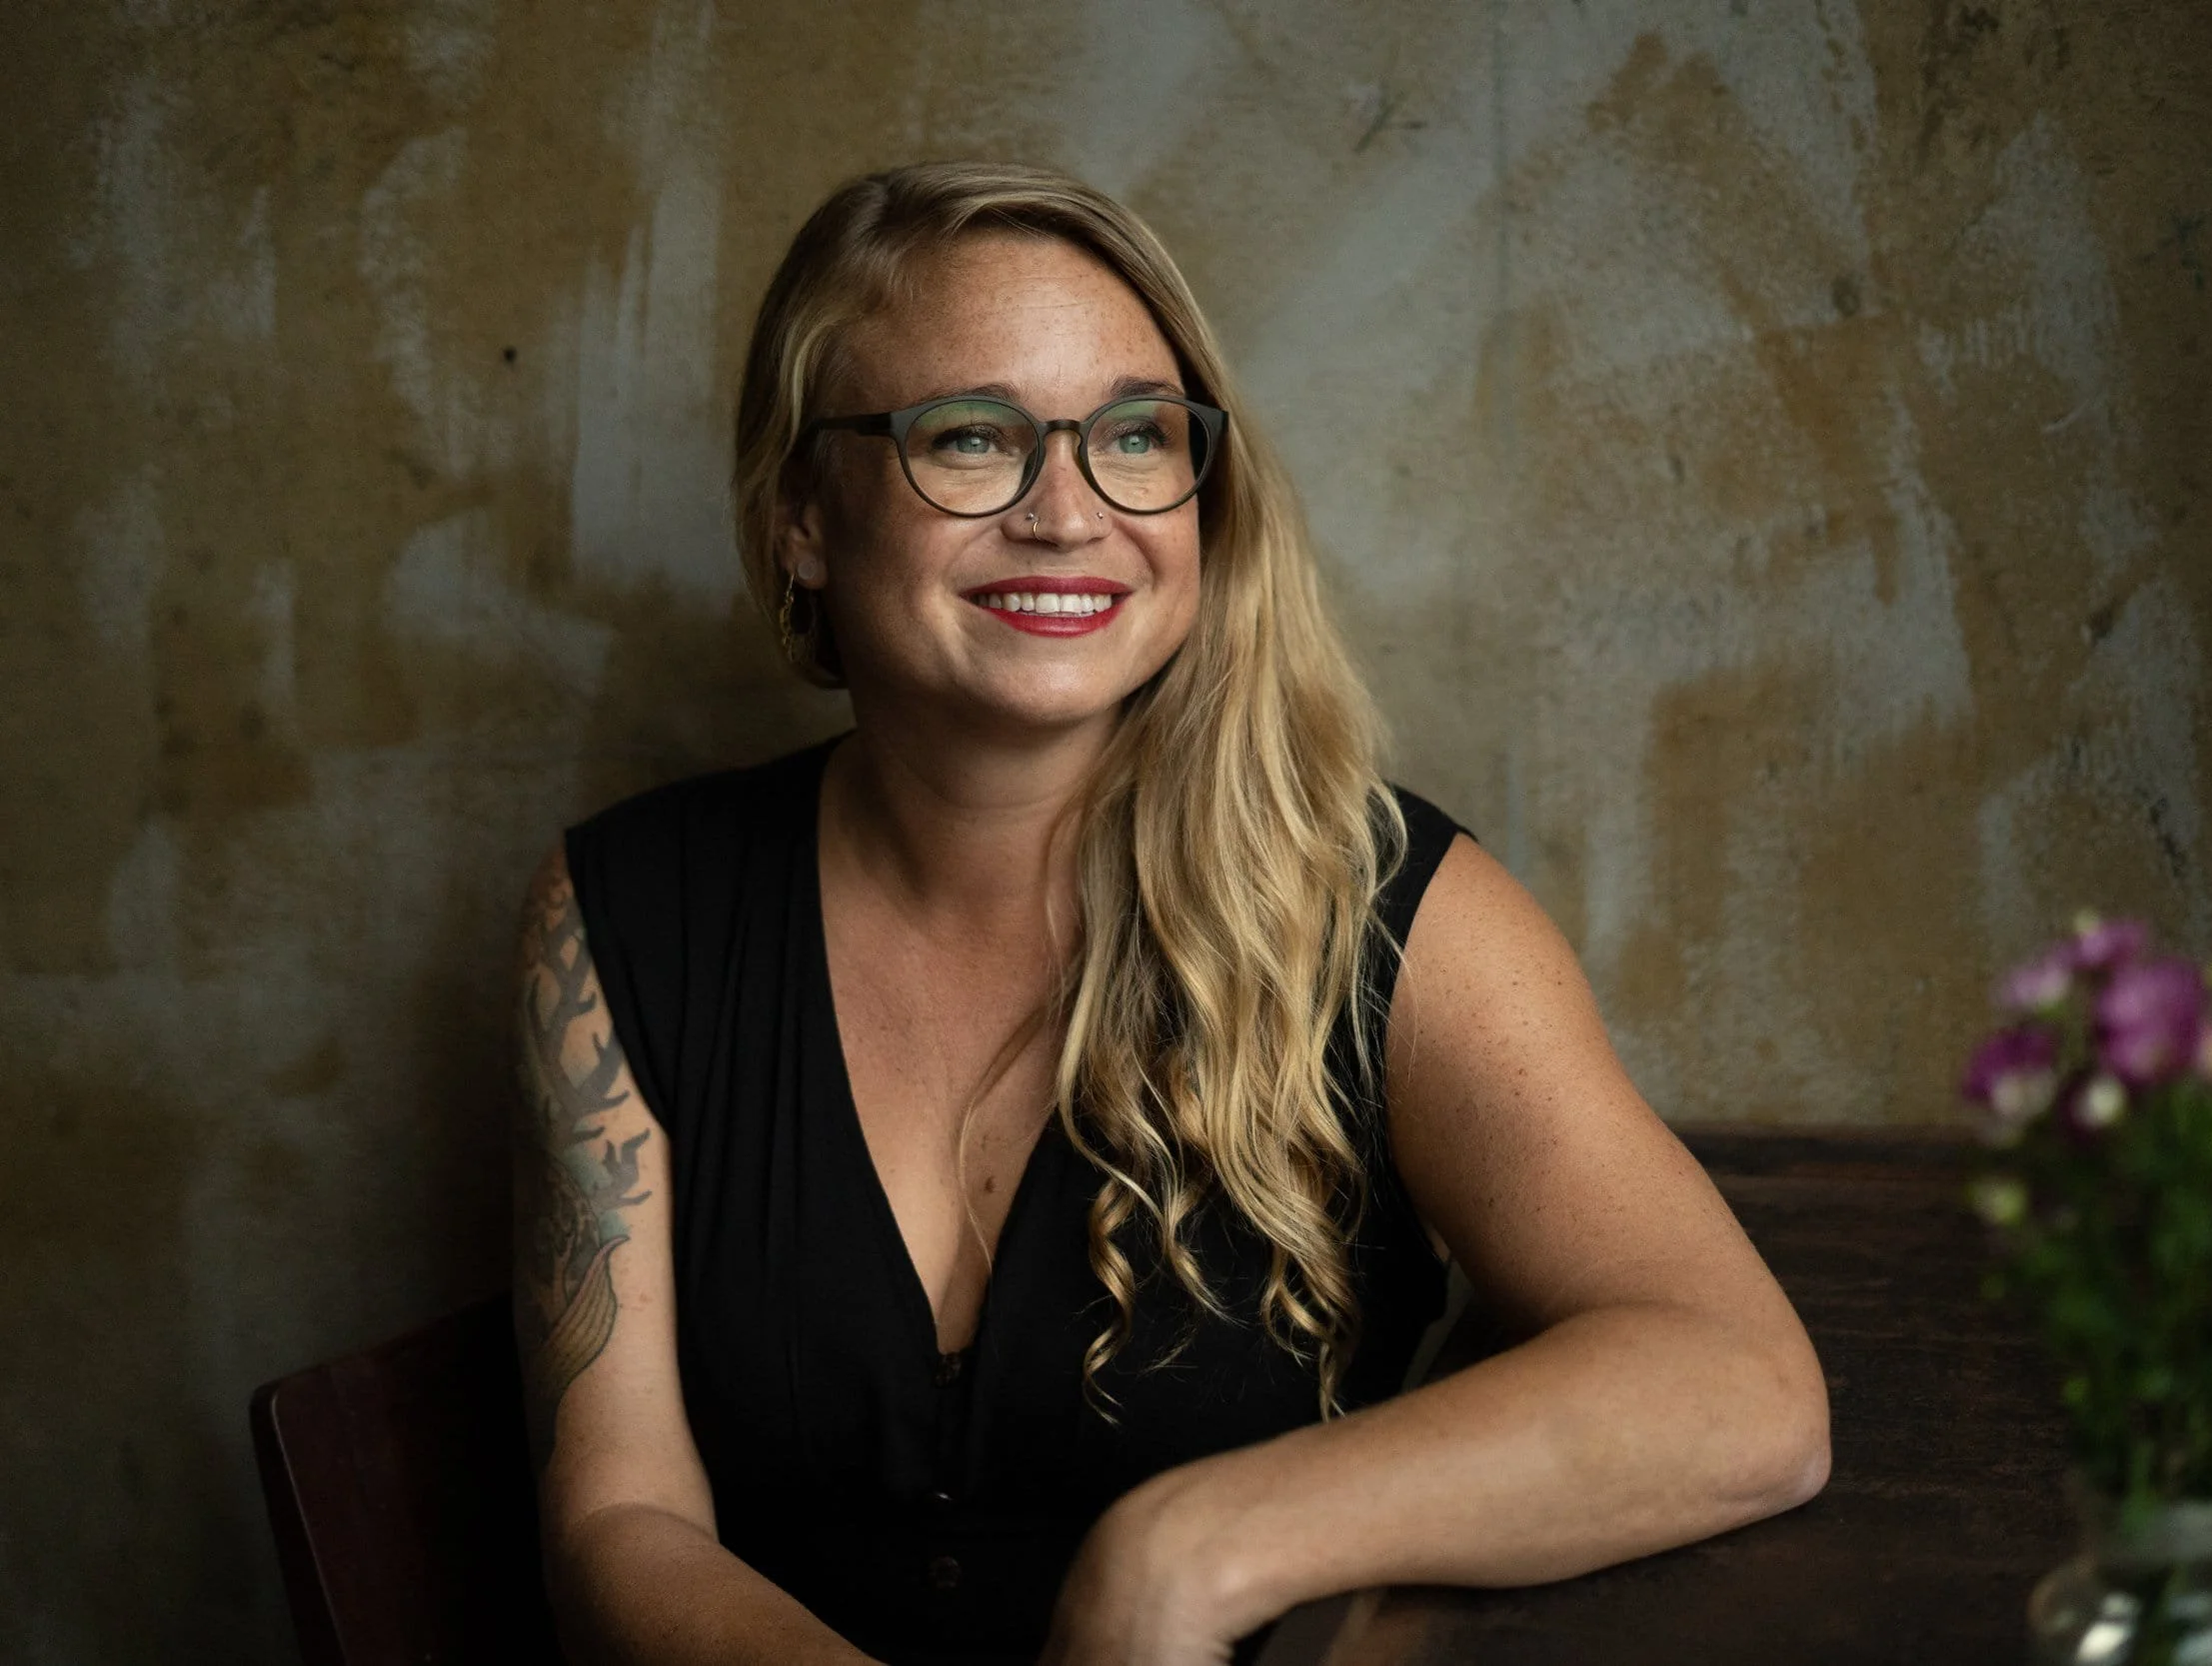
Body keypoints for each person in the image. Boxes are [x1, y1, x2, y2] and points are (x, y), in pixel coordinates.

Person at [512, 161, 1828, 1666]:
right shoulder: (618, 919)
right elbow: (618, 1521)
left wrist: (1183, 1552)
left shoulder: (1380, 911)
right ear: (802, 515)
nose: (1070, 513)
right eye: (971, 437)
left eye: (1135, 435)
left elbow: (1742, 1384)